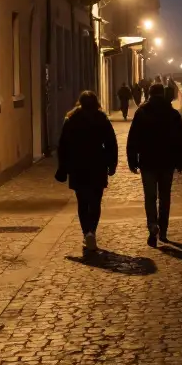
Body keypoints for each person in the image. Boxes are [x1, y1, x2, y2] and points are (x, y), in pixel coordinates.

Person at [126, 83, 182, 247]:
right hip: (167, 162)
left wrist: (132, 160)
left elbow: (133, 138)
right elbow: (181, 140)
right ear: (164, 94)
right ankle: (164, 230)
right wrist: (181, 161)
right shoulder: (173, 114)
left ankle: (152, 226)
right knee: (165, 197)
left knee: (150, 197)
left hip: (148, 161)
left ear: (150, 94)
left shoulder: (142, 113)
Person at [56, 91, 118, 251]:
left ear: (80, 102)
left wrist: (63, 166)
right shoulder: (101, 119)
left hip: (78, 165)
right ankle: (92, 231)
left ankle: (86, 233)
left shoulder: (71, 120)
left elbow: (63, 145)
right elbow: (111, 143)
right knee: (95, 202)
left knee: (82, 202)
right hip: (97, 164)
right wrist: (112, 164)